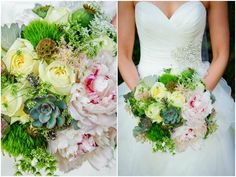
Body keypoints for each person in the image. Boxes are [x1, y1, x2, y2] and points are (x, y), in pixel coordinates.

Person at [118, 1, 235, 175]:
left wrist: (197, 102)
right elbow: (122, 53)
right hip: (141, 91)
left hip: (200, 92)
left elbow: (221, 53)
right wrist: (144, 101)